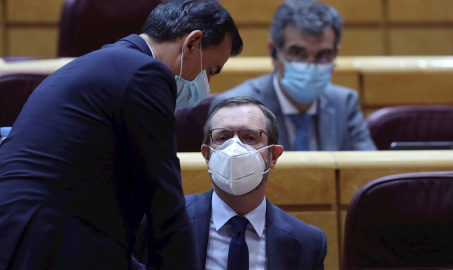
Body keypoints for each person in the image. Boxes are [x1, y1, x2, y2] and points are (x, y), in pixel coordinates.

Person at [0, 0, 242, 269]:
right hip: (45, 239)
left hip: (27, 229)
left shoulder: (106, 61)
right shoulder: (145, 74)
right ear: (192, 43)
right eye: (210, 70)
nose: (206, 85)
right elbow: (164, 199)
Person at [210, 0, 376, 151]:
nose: (311, 64)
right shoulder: (234, 109)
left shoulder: (344, 104)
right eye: (298, 53)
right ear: (274, 52)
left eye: (323, 54)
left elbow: (368, 170)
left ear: (335, 54)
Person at [185, 96, 327, 269]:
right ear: (207, 155)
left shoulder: (307, 242)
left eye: (250, 137)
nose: (234, 149)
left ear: (273, 155)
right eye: (223, 138)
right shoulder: (165, 221)